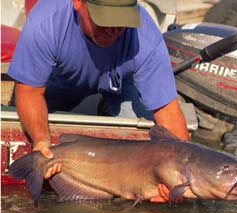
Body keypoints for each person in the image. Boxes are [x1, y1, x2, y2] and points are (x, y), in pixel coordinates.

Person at [8, 0, 189, 179]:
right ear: (78, 2)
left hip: (119, 83)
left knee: (147, 138)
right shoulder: (46, 20)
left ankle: (105, 106)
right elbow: (30, 91)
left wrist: (183, 176)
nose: (112, 30)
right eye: (104, 20)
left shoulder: (146, 36)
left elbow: (167, 110)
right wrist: (41, 140)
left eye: (121, 22)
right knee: (22, 124)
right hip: (62, 78)